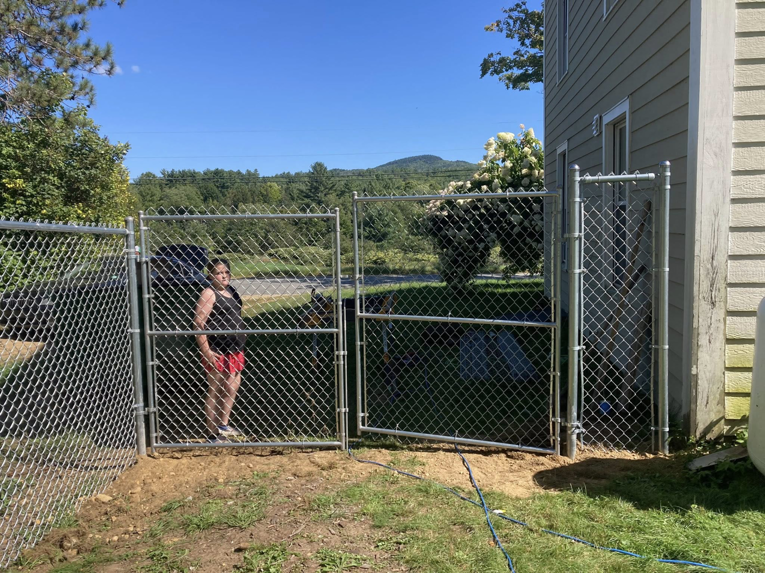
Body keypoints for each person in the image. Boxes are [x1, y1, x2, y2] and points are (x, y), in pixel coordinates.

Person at [194, 259, 247, 443]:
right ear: (210, 275)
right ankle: (212, 433)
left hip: (235, 348)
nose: (224, 275)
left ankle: (224, 425)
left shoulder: (231, 291)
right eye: (218, 272)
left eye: (226, 272)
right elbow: (198, 323)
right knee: (215, 389)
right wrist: (207, 351)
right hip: (217, 349)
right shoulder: (209, 293)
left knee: (232, 386)